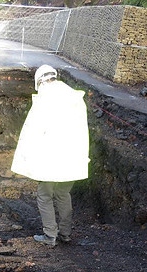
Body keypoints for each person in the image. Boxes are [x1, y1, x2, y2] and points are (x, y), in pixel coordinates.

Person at [11, 65, 90, 246]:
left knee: (44, 196)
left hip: (50, 160)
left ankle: (50, 235)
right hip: (73, 159)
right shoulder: (75, 97)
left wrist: (26, 160)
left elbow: (32, 133)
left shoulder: (44, 100)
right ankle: (65, 233)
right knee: (63, 194)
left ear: (40, 82)